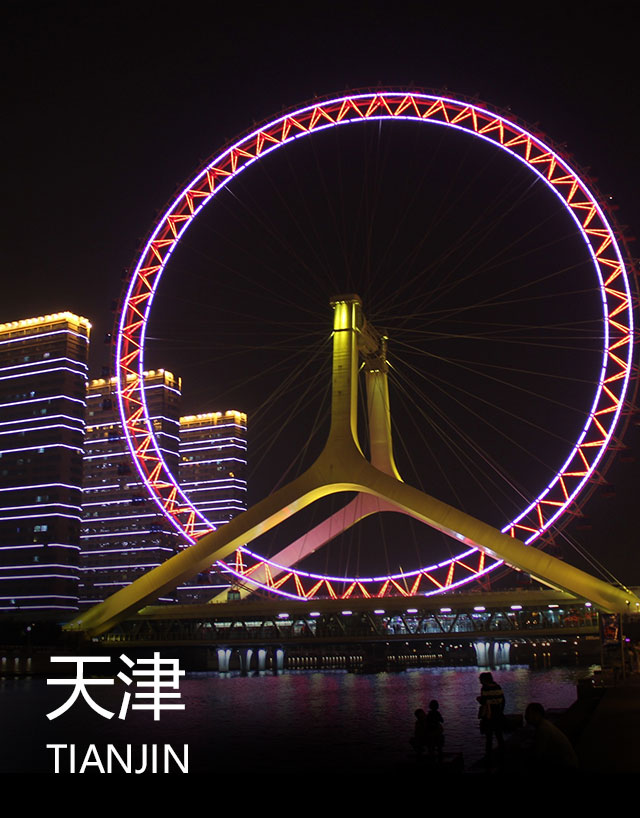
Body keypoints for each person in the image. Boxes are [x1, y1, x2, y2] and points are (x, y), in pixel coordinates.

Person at [524, 702, 579, 771]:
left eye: (529, 714)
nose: (526, 716)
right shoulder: (544, 725)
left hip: (567, 767)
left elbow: (537, 754)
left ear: (538, 714)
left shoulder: (543, 729)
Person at [477, 671, 505, 761]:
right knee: (499, 735)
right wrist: (501, 711)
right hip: (498, 713)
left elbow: (484, 701)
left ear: (484, 680)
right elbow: (503, 700)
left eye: (480, 679)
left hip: (489, 715)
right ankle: (503, 754)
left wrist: (479, 699)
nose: (480, 681)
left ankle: (488, 756)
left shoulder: (485, 688)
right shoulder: (498, 686)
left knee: (489, 737)